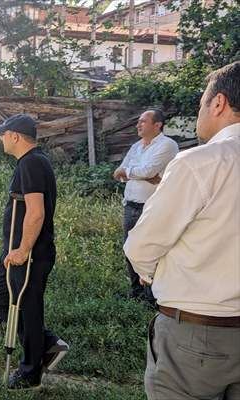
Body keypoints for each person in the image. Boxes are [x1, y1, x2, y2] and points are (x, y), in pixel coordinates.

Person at [124, 61, 240, 399]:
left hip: (198, 333)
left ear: (218, 103)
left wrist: (151, 274)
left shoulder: (201, 162)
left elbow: (141, 247)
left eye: (201, 102)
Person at [0, 114, 69, 390]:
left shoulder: (32, 164)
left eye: (3, 134)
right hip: (16, 250)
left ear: (15, 137)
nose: (0, 138)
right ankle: (46, 344)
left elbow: (36, 212)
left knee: (28, 309)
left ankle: (30, 371)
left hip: (30, 254)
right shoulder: (32, 162)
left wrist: (22, 249)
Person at [112, 109, 178, 305]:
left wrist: (131, 172)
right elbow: (119, 172)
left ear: (157, 125)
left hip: (151, 207)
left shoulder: (167, 145)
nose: (138, 125)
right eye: (138, 121)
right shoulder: (136, 146)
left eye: (143, 121)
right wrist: (138, 174)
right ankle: (137, 292)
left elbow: (148, 170)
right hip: (130, 206)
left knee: (150, 251)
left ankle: (152, 298)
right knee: (129, 249)